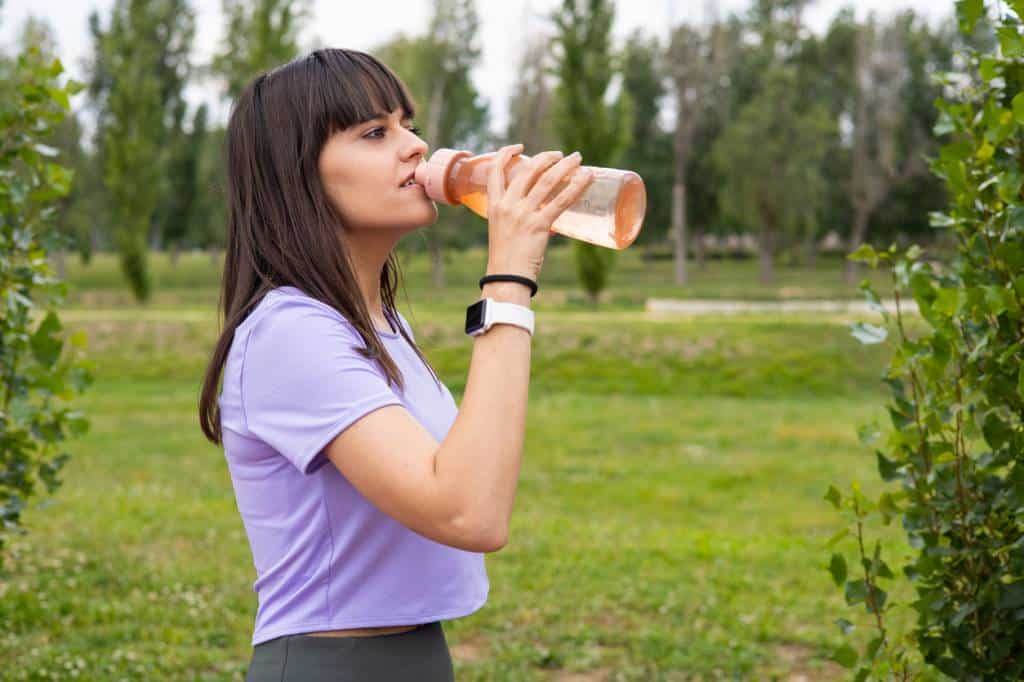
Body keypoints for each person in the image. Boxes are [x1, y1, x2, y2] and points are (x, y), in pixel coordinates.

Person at [197, 47, 593, 681]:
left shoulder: (379, 326)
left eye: (407, 124)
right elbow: (469, 512)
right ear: (296, 175)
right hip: (332, 663)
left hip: (416, 655)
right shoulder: (291, 334)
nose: (415, 146)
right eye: (375, 133)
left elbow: (469, 475)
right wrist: (510, 279)